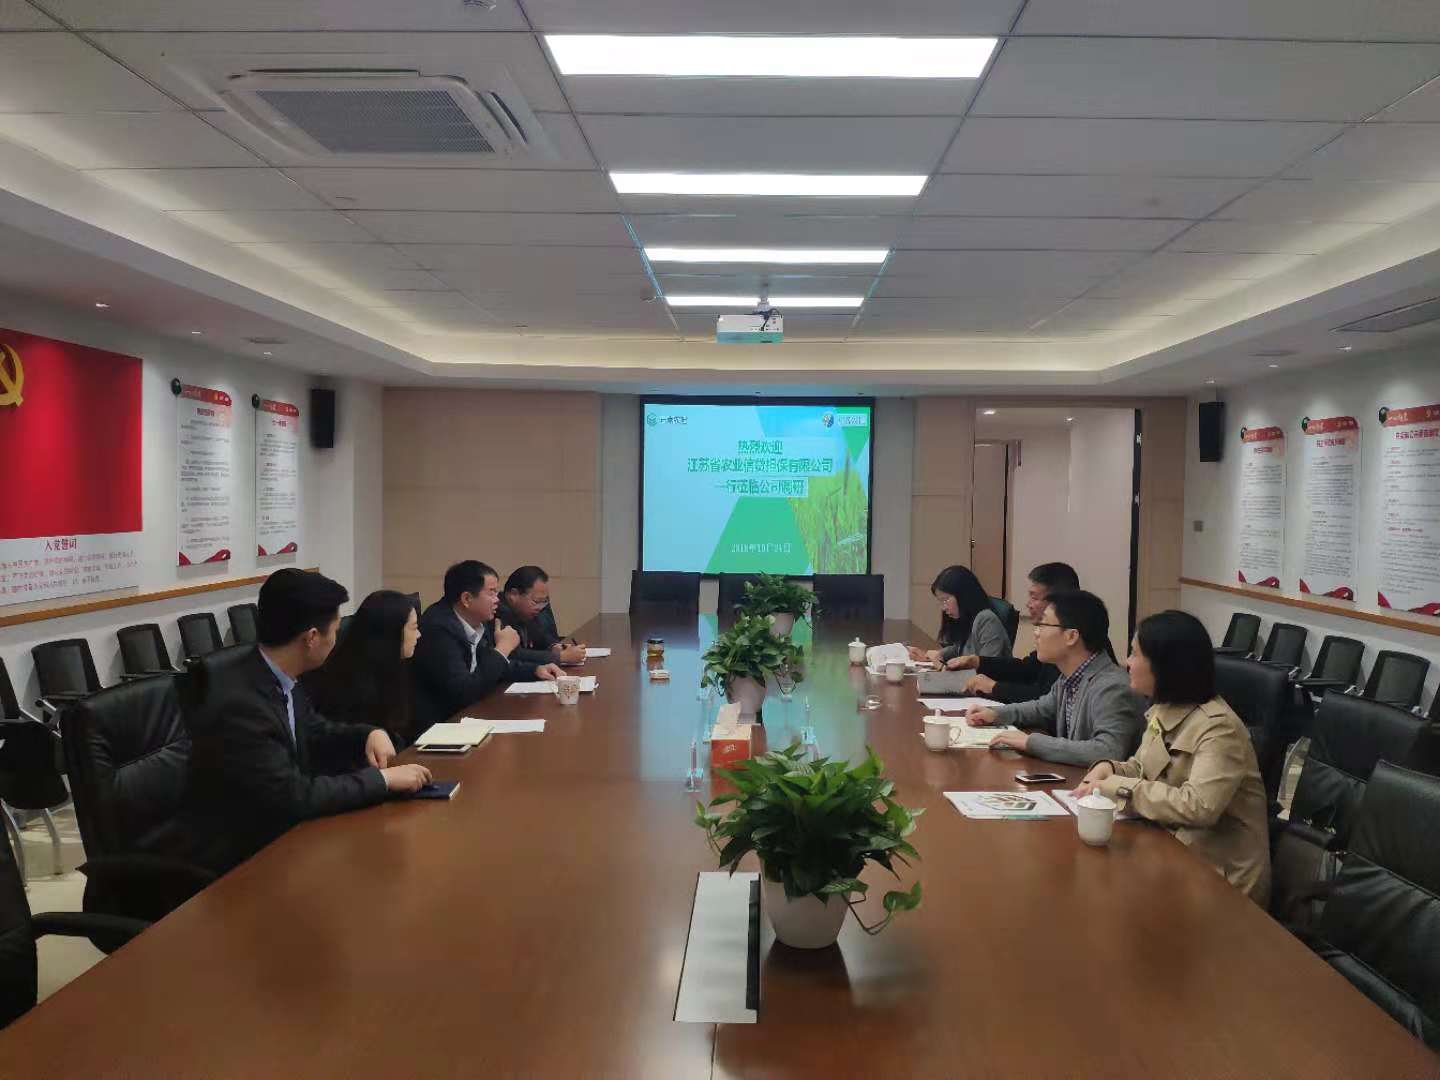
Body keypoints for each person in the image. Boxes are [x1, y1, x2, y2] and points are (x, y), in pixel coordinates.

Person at [179, 569, 432, 875]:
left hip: (282, 836)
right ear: (311, 638)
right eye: (334, 631)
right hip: (240, 858)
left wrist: (368, 733)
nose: (337, 641)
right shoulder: (241, 705)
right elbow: (294, 796)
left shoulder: (277, 675)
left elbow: (314, 729)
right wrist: (383, 781)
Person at [1074, 610, 1272, 906]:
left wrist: (1117, 786)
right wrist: (1109, 768)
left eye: (1135, 654)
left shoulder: (1219, 728)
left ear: (1165, 665)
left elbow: (1198, 806)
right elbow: (1143, 768)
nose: (1127, 663)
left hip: (1220, 882)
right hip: (1171, 854)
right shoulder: (1163, 709)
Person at [966, 590, 1145, 767]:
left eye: (1043, 625)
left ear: (1071, 636)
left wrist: (1030, 742)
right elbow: (1040, 709)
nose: (1036, 633)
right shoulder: (1069, 677)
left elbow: (1107, 751)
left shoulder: (1112, 687)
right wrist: (995, 714)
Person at [412, 559, 562, 731]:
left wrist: (535, 670)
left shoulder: (476, 620)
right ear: (467, 598)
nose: (497, 599)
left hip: (471, 715)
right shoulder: (438, 628)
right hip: (442, 726)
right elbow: (463, 692)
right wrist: (502, 649)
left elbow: (492, 667)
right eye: (491, 593)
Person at [942, 562, 1079, 703]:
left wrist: (994, 687)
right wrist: (977, 661)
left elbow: (1046, 698)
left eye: (1034, 597)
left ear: (1058, 602)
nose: (1028, 604)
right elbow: (1027, 669)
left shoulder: (1071, 645)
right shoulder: (1054, 641)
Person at [303, 589, 423, 749]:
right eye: (414, 628)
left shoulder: (396, 668)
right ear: (391, 633)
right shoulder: (351, 686)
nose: (419, 635)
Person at [908, 565, 1011, 666]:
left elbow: (987, 670)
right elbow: (960, 649)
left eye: (945, 600)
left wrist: (941, 666)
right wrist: (930, 656)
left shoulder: (986, 620)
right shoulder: (967, 618)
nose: (943, 608)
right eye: (941, 601)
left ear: (964, 595)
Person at [498, 566, 585, 666]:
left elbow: (540, 635)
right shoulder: (497, 613)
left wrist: (554, 646)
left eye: (544, 602)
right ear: (514, 594)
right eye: (536, 601)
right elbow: (513, 654)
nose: (540, 608)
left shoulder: (526, 612)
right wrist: (560, 657)